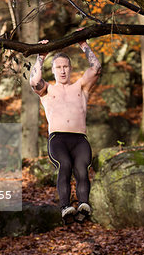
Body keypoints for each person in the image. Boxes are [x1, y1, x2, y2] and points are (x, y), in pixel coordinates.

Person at [29, 36, 101, 224]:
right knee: (65, 166)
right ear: (53, 70)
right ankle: (65, 207)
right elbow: (34, 81)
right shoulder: (47, 90)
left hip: (80, 140)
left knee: (82, 170)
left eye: (65, 67)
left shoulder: (81, 87)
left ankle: (84, 205)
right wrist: (41, 56)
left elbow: (96, 69)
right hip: (58, 140)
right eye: (58, 67)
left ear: (70, 68)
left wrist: (84, 45)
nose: (62, 70)